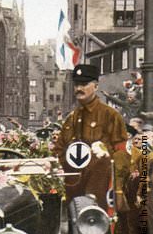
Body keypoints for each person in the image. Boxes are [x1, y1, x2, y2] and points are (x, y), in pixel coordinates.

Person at [53, 64, 129, 211]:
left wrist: (107, 153)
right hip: (72, 187)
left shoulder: (110, 116)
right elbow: (59, 149)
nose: (78, 89)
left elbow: (122, 152)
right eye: (76, 85)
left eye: (84, 84)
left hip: (99, 189)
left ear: (95, 86)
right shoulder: (72, 118)